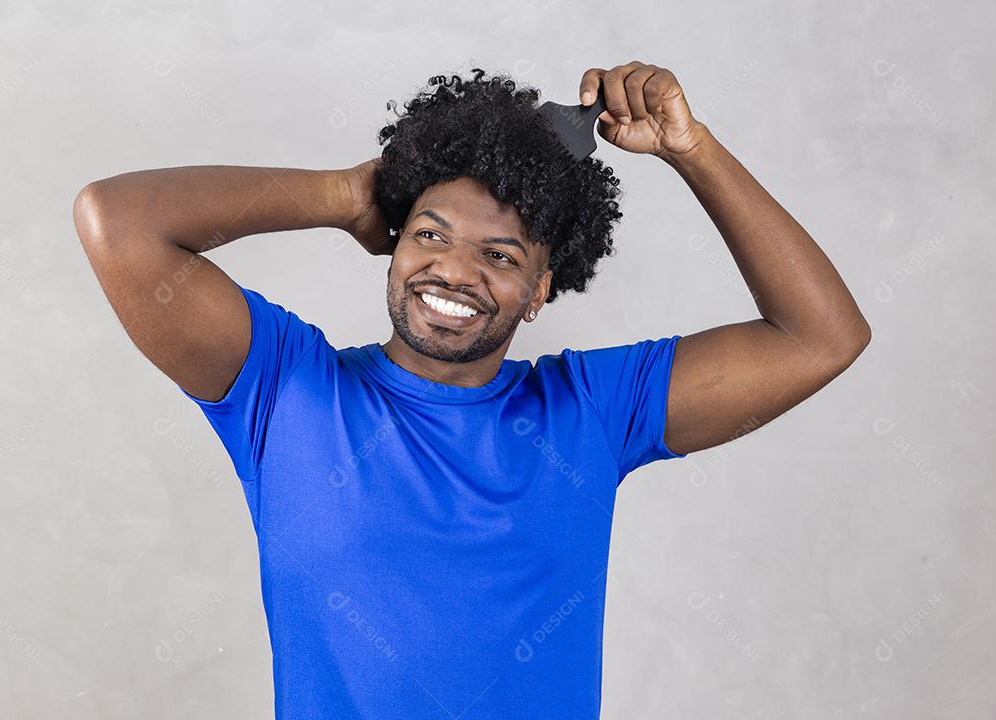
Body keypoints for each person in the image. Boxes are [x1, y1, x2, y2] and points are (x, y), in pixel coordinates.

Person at [73, 63, 870, 719]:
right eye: (430, 234)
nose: (454, 270)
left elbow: (821, 337)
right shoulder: (283, 389)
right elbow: (115, 220)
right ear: (393, 245)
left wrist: (693, 149)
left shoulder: (591, 410)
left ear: (540, 290)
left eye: (500, 255)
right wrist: (344, 195)